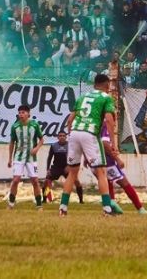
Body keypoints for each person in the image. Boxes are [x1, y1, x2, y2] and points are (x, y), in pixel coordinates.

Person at [59, 74, 117, 216]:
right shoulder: (106, 98)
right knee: (101, 172)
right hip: (90, 133)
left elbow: (70, 119)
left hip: (74, 133)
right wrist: (114, 142)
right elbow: (109, 120)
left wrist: (71, 135)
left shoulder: (82, 97)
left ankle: (63, 208)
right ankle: (107, 209)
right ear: (107, 85)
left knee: (72, 173)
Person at [93, 124, 147, 215]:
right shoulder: (106, 125)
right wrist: (117, 159)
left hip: (95, 160)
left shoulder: (94, 124)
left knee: (107, 181)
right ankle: (140, 209)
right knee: (124, 183)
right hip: (107, 161)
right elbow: (105, 144)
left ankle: (111, 204)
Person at [7, 105, 44, 209]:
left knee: (35, 181)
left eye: (23, 112)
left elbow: (41, 140)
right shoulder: (15, 126)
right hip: (19, 157)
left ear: (28, 114)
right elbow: (11, 143)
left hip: (31, 158)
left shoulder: (34, 125)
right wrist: (10, 158)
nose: (21, 114)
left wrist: (37, 148)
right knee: (16, 180)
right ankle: (11, 203)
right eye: (19, 113)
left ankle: (39, 205)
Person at [43, 131, 83, 204]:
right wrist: (47, 169)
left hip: (67, 167)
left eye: (63, 136)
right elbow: (49, 158)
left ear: (66, 137)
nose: (62, 137)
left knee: (77, 181)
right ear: (57, 137)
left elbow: (74, 156)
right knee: (47, 181)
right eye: (60, 136)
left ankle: (81, 200)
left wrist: (69, 166)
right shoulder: (53, 146)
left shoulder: (70, 145)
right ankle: (45, 199)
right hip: (56, 167)